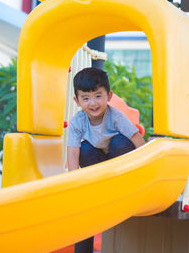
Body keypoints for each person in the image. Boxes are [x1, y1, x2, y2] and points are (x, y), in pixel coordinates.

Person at [66, 67, 145, 253]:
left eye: (98, 96)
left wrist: (143, 166)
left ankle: (119, 181)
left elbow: (136, 139)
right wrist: (74, 181)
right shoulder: (77, 122)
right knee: (85, 148)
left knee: (119, 140)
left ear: (109, 96)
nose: (93, 103)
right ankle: (95, 183)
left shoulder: (115, 116)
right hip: (98, 162)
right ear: (77, 101)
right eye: (86, 98)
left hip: (118, 159)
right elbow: (72, 153)